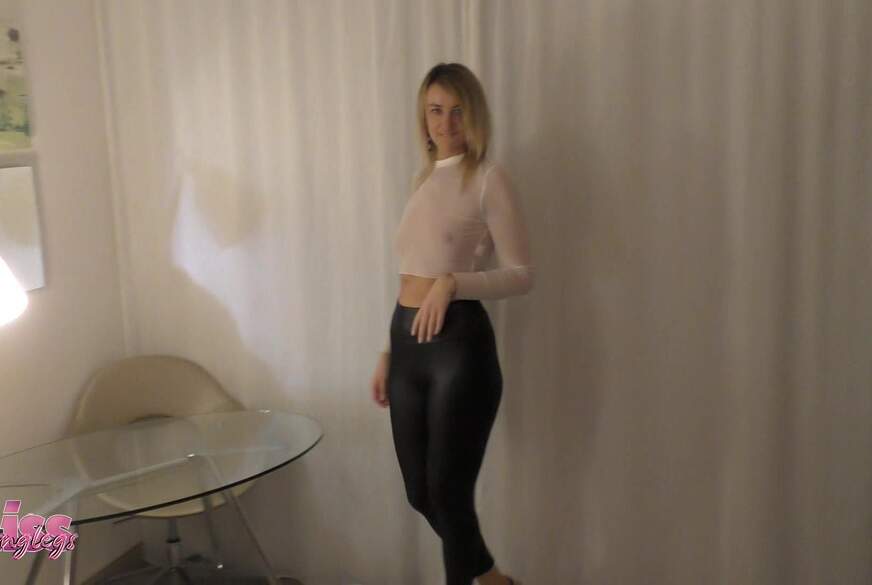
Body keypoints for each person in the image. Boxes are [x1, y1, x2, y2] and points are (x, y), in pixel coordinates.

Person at [370, 62, 533, 585]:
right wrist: (388, 351)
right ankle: (495, 580)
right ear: (423, 116)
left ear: (474, 115)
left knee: (449, 493)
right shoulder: (422, 181)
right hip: (407, 341)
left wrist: (453, 283)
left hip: (458, 346)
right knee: (420, 493)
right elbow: (409, 273)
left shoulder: (487, 178)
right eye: (436, 111)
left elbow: (522, 274)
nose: (446, 123)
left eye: (457, 111)